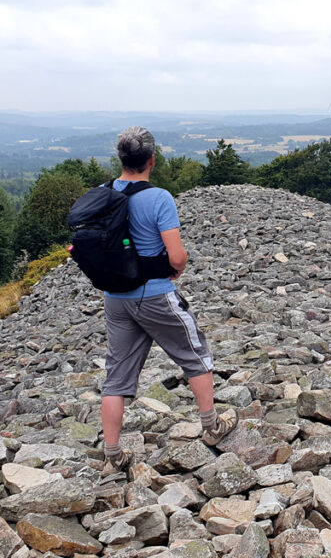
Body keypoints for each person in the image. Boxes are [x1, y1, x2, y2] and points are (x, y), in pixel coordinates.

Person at [100, 126, 235, 472]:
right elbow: (176, 257)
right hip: (154, 293)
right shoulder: (158, 198)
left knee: (116, 377)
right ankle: (211, 427)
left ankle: (112, 456)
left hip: (114, 297)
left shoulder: (103, 194)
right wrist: (176, 270)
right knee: (196, 354)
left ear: (120, 158)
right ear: (151, 160)